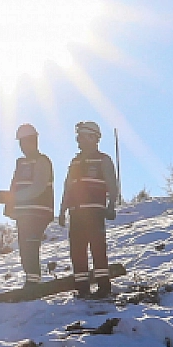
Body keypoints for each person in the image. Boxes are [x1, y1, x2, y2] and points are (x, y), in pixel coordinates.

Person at [59, 120, 120, 297]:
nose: (78, 141)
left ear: (94, 138)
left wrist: (111, 205)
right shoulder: (75, 162)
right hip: (76, 213)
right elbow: (68, 187)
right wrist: (63, 210)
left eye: (82, 137)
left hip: (95, 212)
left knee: (98, 249)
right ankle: (82, 287)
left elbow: (112, 185)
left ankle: (103, 286)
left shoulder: (103, 160)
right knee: (77, 251)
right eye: (78, 137)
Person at [0, 123, 54, 287]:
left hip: (39, 211)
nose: (24, 146)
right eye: (22, 142)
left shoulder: (42, 161)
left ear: (35, 140)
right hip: (24, 213)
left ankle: (33, 283)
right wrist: (9, 205)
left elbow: (37, 188)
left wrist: (9, 197)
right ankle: (31, 281)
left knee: (30, 246)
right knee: (25, 248)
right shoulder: (21, 163)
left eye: (27, 141)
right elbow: (15, 185)